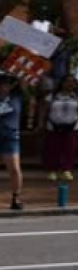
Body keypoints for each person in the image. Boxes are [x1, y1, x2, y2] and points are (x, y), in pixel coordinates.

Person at [44, 74, 78, 183]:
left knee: (70, 148)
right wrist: (41, 124)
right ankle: (52, 170)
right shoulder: (52, 96)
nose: (69, 84)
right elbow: (44, 109)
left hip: (73, 125)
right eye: (67, 81)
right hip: (54, 125)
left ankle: (66, 170)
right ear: (61, 83)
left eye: (72, 82)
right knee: (53, 149)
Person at [0, 73, 23, 210]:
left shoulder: (16, 97)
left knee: (14, 168)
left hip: (11, 136)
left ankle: (16, 197)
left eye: (6, 84)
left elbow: (25, 78)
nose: (3, 87)